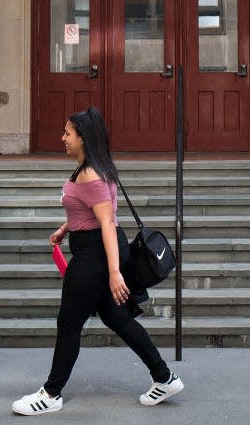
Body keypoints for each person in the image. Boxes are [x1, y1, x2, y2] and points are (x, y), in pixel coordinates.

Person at [12, 107, 184, 416]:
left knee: (68, 323)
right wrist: (66, 228)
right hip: (94, 247)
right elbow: (91, 211)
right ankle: (164, 377)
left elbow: (107, 223)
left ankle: (51, 394)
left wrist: (115, 272)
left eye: (68, 133)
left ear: (83, 138)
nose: (62, 138)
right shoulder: (88, 167)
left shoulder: (91, 173)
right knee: (117, 319)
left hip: (95, 256)